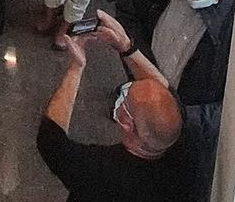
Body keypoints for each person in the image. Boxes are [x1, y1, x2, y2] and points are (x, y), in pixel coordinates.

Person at [97, 0, 235, 200]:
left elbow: (233, 107)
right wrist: (139, 66)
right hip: (145, 114)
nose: (194, 0)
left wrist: (179, 117)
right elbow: (129, 10)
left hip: (188, 141)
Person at [36, 33, 189, 202]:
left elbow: (50, 139)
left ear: (127, 123)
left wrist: (76, 68)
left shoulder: (99, 171)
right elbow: (167, 94)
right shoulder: (180, 151)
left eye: (125, 97)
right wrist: (126, 47)